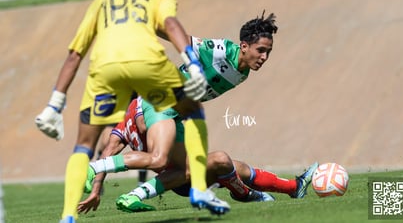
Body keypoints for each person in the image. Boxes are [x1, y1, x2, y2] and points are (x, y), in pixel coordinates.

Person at [34, 0, 228, 222]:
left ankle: (67, 216)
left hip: (104, 68)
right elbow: (171, 24)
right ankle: (198, 188)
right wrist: (193, 64)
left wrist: (54, 104)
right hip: (147, 62)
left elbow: (74, 55)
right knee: (192, 110)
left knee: (83, 146)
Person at [78, 11, 317, 211]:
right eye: (261, 50)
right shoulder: (221, 51)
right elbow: (181, 38)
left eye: (269, 52)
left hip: (176, 114)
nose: (265, 57)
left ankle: (288, 189)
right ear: (244, 46)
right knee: (165, 158)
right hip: (163, 101)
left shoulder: (244, 70)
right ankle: (245, 194)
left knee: (222, 165)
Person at [77, 96, 278, 214]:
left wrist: (95, 190)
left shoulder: (120, 129)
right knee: (222, 161)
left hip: (173, 179)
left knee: (231, 166)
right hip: (180, 174)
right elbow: (142, 123)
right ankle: (251, 194)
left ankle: (289, 188)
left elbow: (106, 154)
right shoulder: (144, 103)